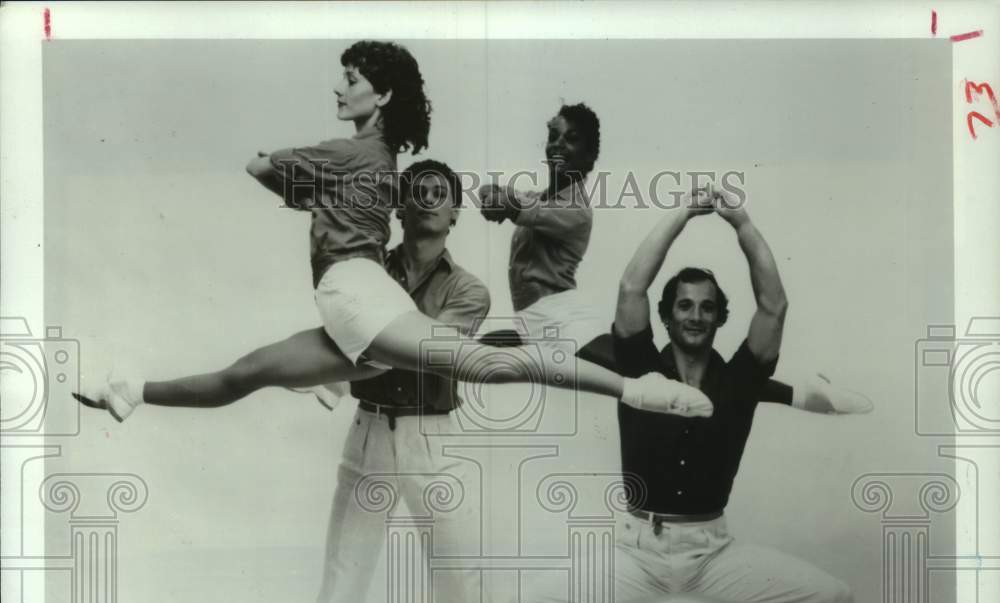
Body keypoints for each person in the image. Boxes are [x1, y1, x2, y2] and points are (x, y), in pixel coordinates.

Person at [73, 42, 711, 424]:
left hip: (358, 297)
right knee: (249, 372)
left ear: (380, 96)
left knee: (488, 365)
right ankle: (130, 391)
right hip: (356, 302)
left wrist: (303, 185)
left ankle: (640, 391)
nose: (339, 87)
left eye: (350, 79)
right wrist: (316, 196)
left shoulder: (354, 154)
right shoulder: (373, 166)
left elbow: (258, 166)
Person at [504, 184, 891, 603]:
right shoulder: (637, 364)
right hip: (638, 552)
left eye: (707, 307)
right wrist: (683, 213)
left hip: (714, 552)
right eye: (684, 305)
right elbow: (631, 284)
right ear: (667, 314)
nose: (695, 316)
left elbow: (774, 307)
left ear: (718, 317)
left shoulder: (740, 379)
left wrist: (741, 222)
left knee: (830, 598)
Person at [286, 159, 515, 603]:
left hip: (433, 443)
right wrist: (348, 359)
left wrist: (348, 355)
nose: (429, 202)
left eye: (440, 194)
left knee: (462, 593)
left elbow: (424, 357)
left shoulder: (470, 291)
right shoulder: (366, 273)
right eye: (417, 193)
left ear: (455, 213)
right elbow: (368, 351)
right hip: (367, 437)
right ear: (399, 208)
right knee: (340, 586)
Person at [477, 103, 872, 416]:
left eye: (571, 140)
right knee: (468, 352)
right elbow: (509, 200)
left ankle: (803, 391)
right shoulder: (539, 197)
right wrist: (494, 195)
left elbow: (515, 207)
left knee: (659, 378)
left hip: (560, 317)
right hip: (532, 320)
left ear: (590, 156)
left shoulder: (576, 209)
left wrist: (501, 200)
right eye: (553, 136)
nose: (558, 146)